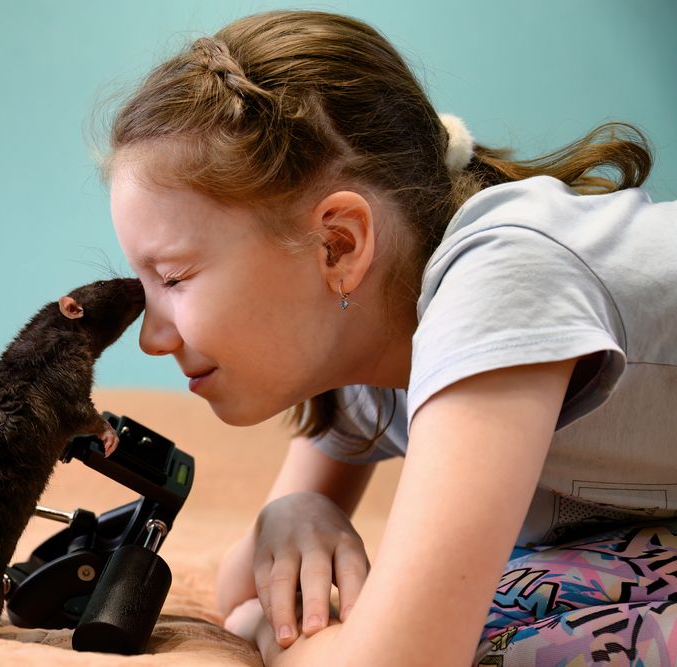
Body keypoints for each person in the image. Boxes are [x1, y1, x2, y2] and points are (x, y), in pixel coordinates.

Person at [103, 10, 677, 666]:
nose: (151, 337)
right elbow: (241, 585)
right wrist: (292, 512)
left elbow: (398, 659)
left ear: (338, 244)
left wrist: (271, 634)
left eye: (173, 276)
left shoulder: (499, 284)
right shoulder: (367, 352)